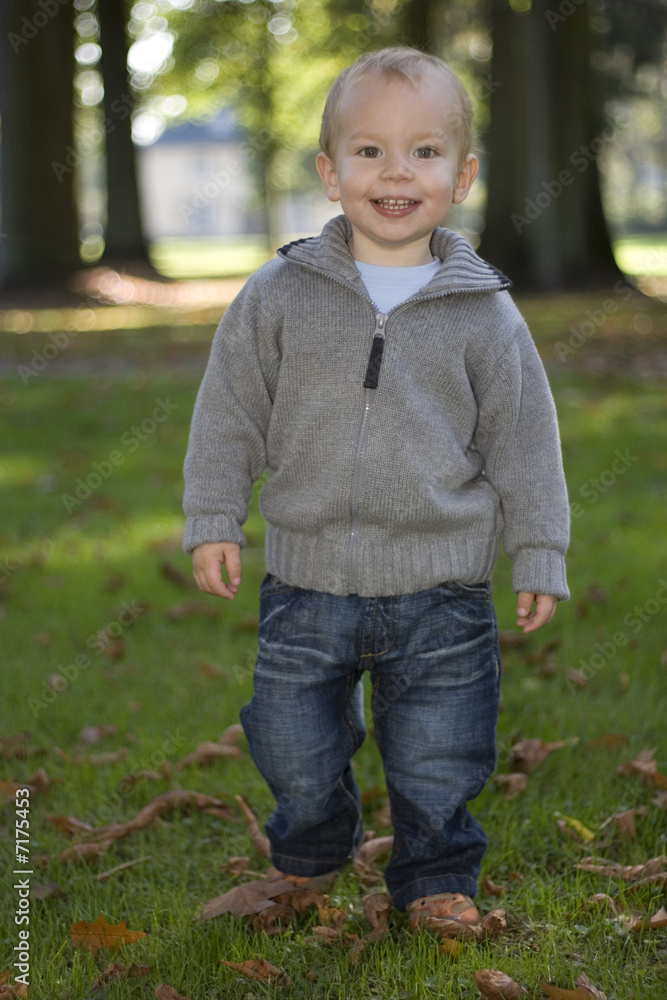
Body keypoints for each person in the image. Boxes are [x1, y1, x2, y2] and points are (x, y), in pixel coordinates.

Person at [182, 47, 570, 931]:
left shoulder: (483, 313)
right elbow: (229, 412)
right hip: (306, 582)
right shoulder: (279, 295)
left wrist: (539, 550)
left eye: (423, 152)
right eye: (369, 151)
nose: (396, 172)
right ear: (329, 172)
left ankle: (435, 878)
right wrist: (213, 515)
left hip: (442, 589)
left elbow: (524, 441)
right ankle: (309, 856)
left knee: (440, 753)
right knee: (291, 744)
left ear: (462, 176)